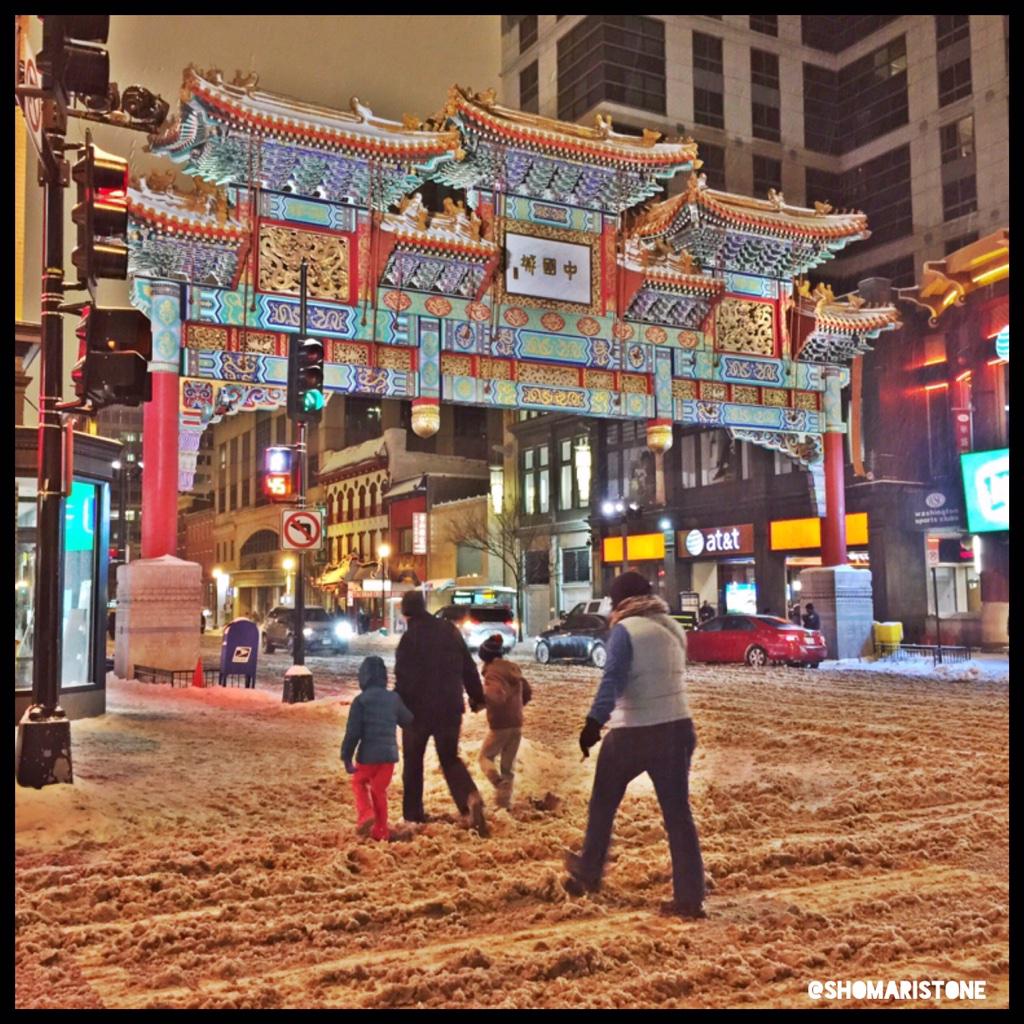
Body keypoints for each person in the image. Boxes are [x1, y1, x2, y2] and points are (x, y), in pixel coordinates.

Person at [564, 571, 706, 920]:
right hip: (678, 727)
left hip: (635, 730)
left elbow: (613, 680)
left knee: (603, 803)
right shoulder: (673, 629)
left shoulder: (625, 631)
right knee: (678, 816)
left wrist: (593, 724)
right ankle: (689, 898)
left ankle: (589, 870)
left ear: (621, 602)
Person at [394, 590, 489, 836]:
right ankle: (469, 799)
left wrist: (398, 709)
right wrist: (477, 697)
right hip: (449, 707)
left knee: (413, 762)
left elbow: (402, 679)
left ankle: (413, 815)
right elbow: (468, 666)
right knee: (449, 758)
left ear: (405, 612)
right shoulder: (449, 630)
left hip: (417, 712)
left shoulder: (409, 639)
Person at [341, 656, 413, 841]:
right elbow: (408, 720)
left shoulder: (361, 701)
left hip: (367, 756)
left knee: (358, 782)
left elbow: (353, 732)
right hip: (389, 757)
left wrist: (347, 757)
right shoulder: (394, 699)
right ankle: (381, 831)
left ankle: (366, 814)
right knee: (379, 791)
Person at [477, 633, 533, 810]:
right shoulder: (513, 669)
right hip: (516, 723)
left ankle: (497, 781)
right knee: (508, 767)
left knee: (485, 757)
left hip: (500, 724)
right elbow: (527, 691)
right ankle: (503, 805)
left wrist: (479, 701)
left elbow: (495, 695)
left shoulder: (492, 673)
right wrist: (517, 707)